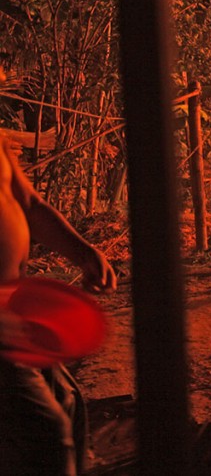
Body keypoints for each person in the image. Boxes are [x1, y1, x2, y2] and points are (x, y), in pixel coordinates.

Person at [0, 72, 118, 475]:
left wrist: (83, 252)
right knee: (45, 433)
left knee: (68, 403)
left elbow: (29, 204)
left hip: (16, 311)